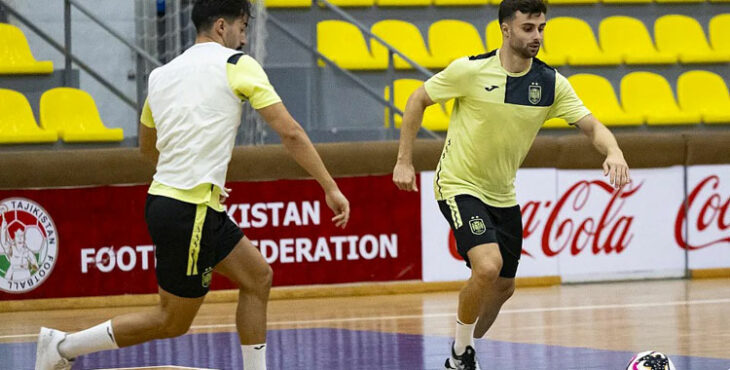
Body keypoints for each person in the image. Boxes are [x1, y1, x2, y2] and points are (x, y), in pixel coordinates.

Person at [34, 1, 350, 369]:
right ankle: (62, 347)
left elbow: (147, 148)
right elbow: (291, 133)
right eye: (243, 28)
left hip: (184, 203)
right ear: (221, 27)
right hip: (189, 210)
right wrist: (330, 186)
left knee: (258, 276)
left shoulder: (162, 74)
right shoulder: (237, 65)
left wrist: (191, 171)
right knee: (172, 320)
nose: (245, 38)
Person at [392, 0, 631, 368]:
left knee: (503, 287)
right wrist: (404, 161)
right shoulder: (470, 71)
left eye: (541, 28)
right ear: (506, 29)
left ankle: (465, 345)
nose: (537, 36)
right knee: (487, 267)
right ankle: (460, 353)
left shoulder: (551, 83)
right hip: (458, 184)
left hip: (502, 193)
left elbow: (593, 127)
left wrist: (613, 151)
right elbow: (417, 99)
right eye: (528, 28)